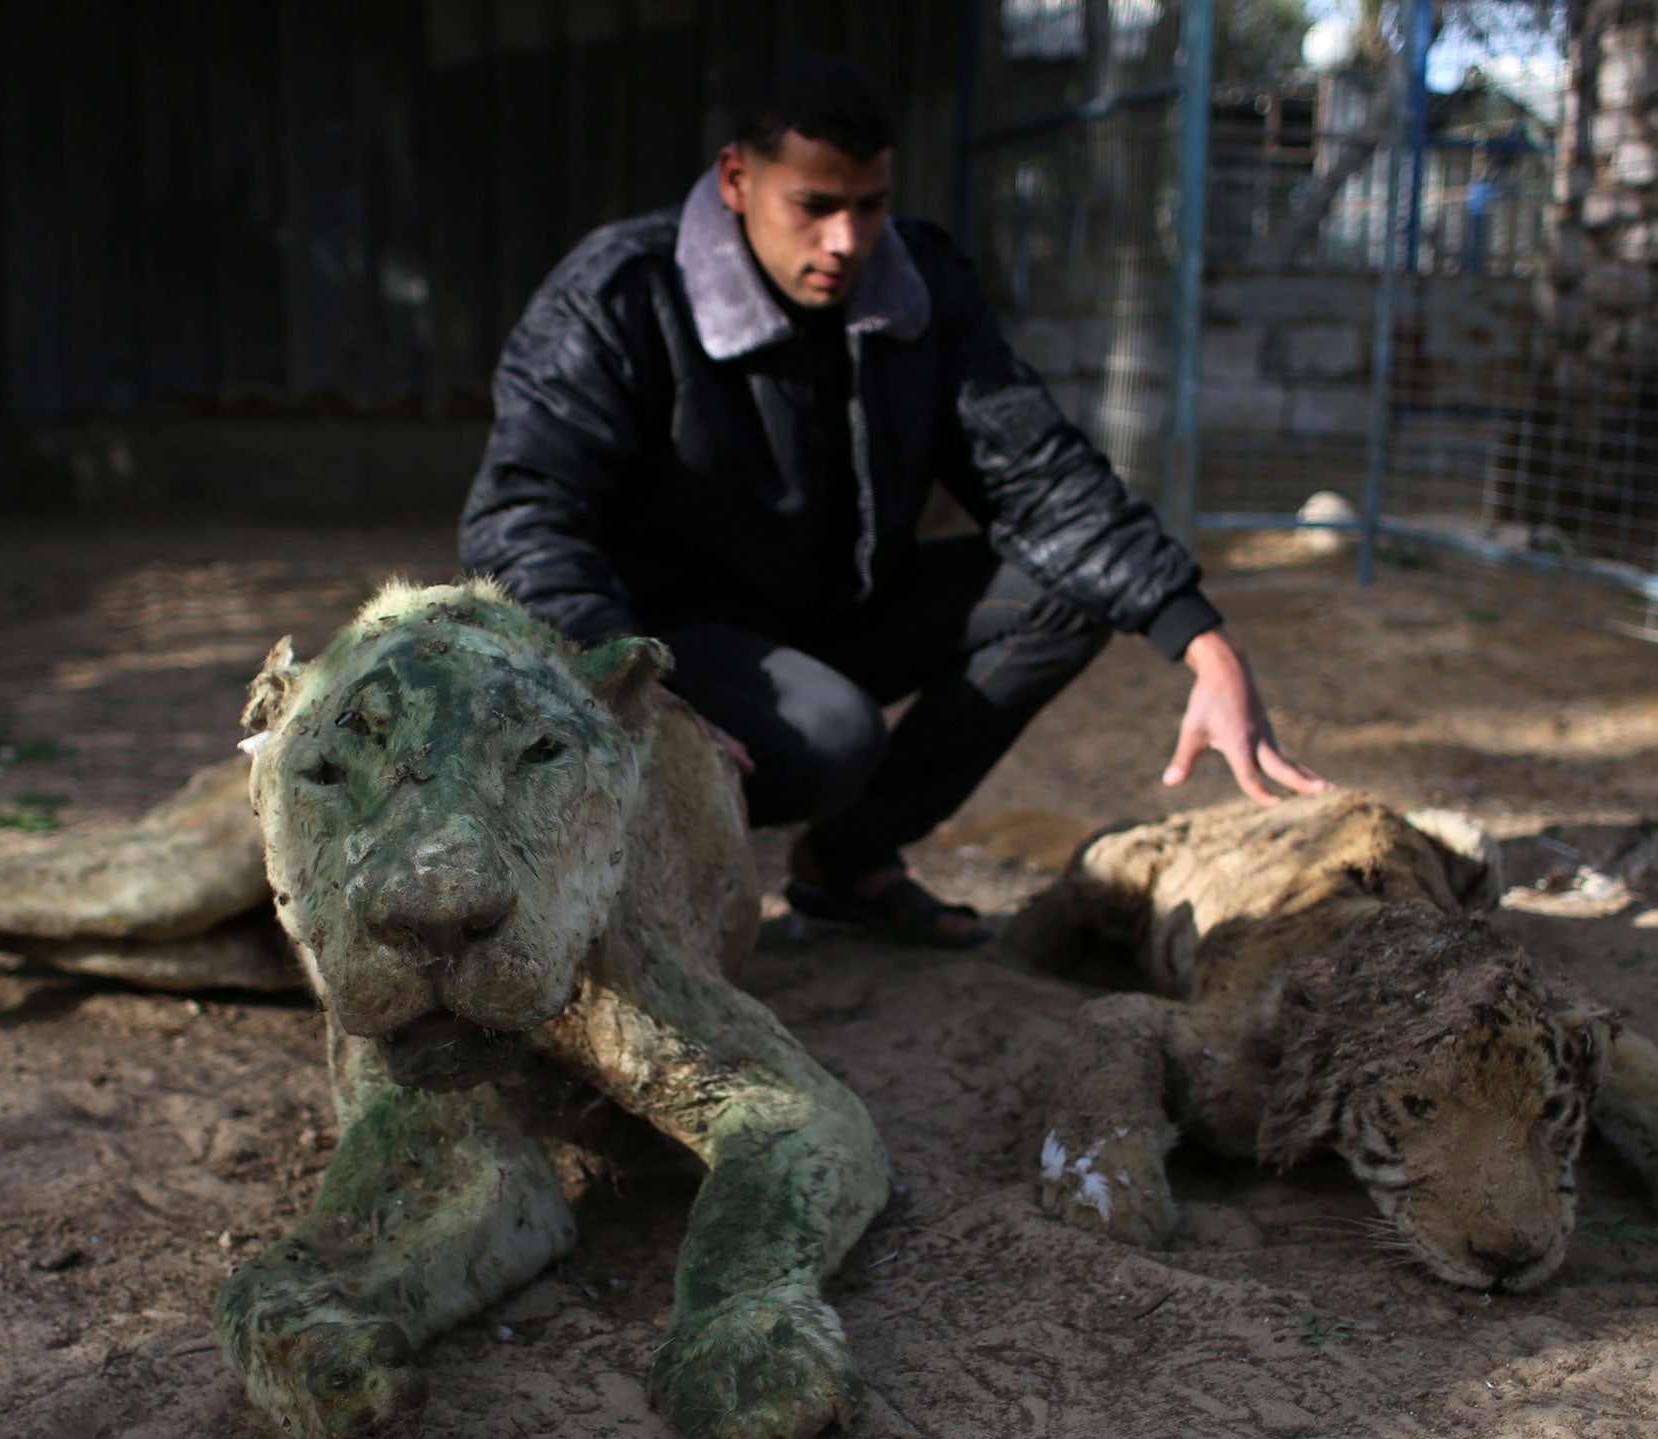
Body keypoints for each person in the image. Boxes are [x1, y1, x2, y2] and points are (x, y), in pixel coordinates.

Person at [461, 52, 1327, 948]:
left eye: (869, 205)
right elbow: (524, 518)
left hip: (832, 610)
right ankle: (648, 879)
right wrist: (630, 685)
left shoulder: (920, 289)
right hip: (660, 645)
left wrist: (1204, 642)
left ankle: (847, 859)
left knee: (1068, 592)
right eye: (815, 205)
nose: (847, 240)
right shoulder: (615, 297)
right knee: (832, 735)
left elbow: (1040, 472)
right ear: (736, 179)